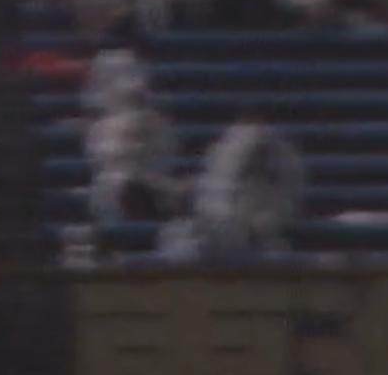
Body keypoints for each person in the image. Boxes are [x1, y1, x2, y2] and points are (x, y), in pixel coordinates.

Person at [192, 110, 306, 254]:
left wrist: (261, 226)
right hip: (221, 236)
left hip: (264, 240)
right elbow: (210, 205)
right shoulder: (225, 155)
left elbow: (287, 206)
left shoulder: (284, 159)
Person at [85, 81, 179, 224]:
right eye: (130, 98)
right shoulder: (102, 128)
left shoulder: (159, 125)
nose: (135, 105)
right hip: (113, 187)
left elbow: (168, 155)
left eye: (139, 98)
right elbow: (98, 158)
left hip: (151, 186)